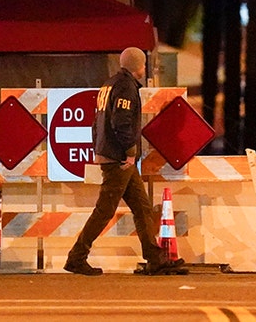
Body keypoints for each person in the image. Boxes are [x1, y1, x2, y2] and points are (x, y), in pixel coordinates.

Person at [64, 47, 187, 276]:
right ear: (138, 66)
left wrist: (98, 149)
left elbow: (97, 122)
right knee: (104, 210)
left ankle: (155, 259)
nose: (144, 68)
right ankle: (76, 257)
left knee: (142, 208)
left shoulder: (109, 84)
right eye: (142, 65)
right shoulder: (126, 87)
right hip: (120, 158)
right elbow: (121, 122)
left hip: (111, 154)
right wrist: (130, 152)